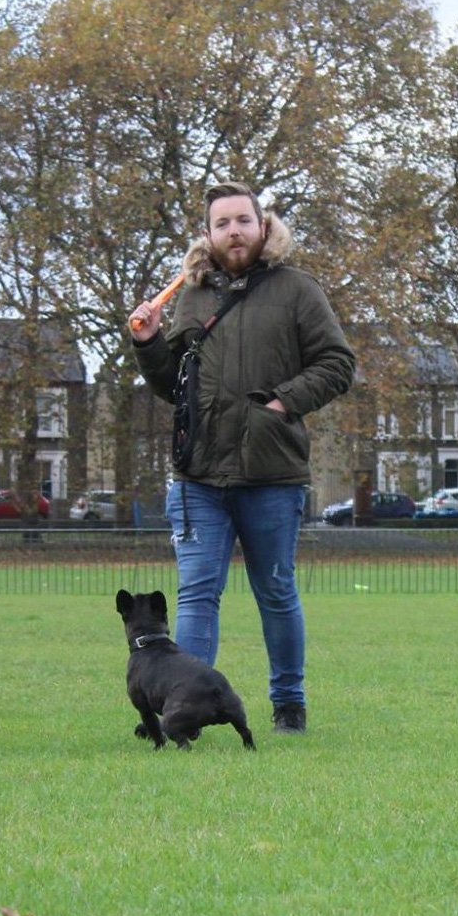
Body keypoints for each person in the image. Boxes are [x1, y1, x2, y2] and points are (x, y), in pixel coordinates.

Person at [127, 181, 355, 733]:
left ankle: (288, 704)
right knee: (198, 592)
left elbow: (338, 363)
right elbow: (172, 385)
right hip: (198, 474)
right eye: (222, 223)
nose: (234, 231)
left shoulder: (298, 290)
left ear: (262, 226)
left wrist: (281, 403)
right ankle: (187, 704)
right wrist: (150, 343)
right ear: (208, 234)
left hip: (272, 473)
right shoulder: (193, 295)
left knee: (275, 591)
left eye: (243, 221)